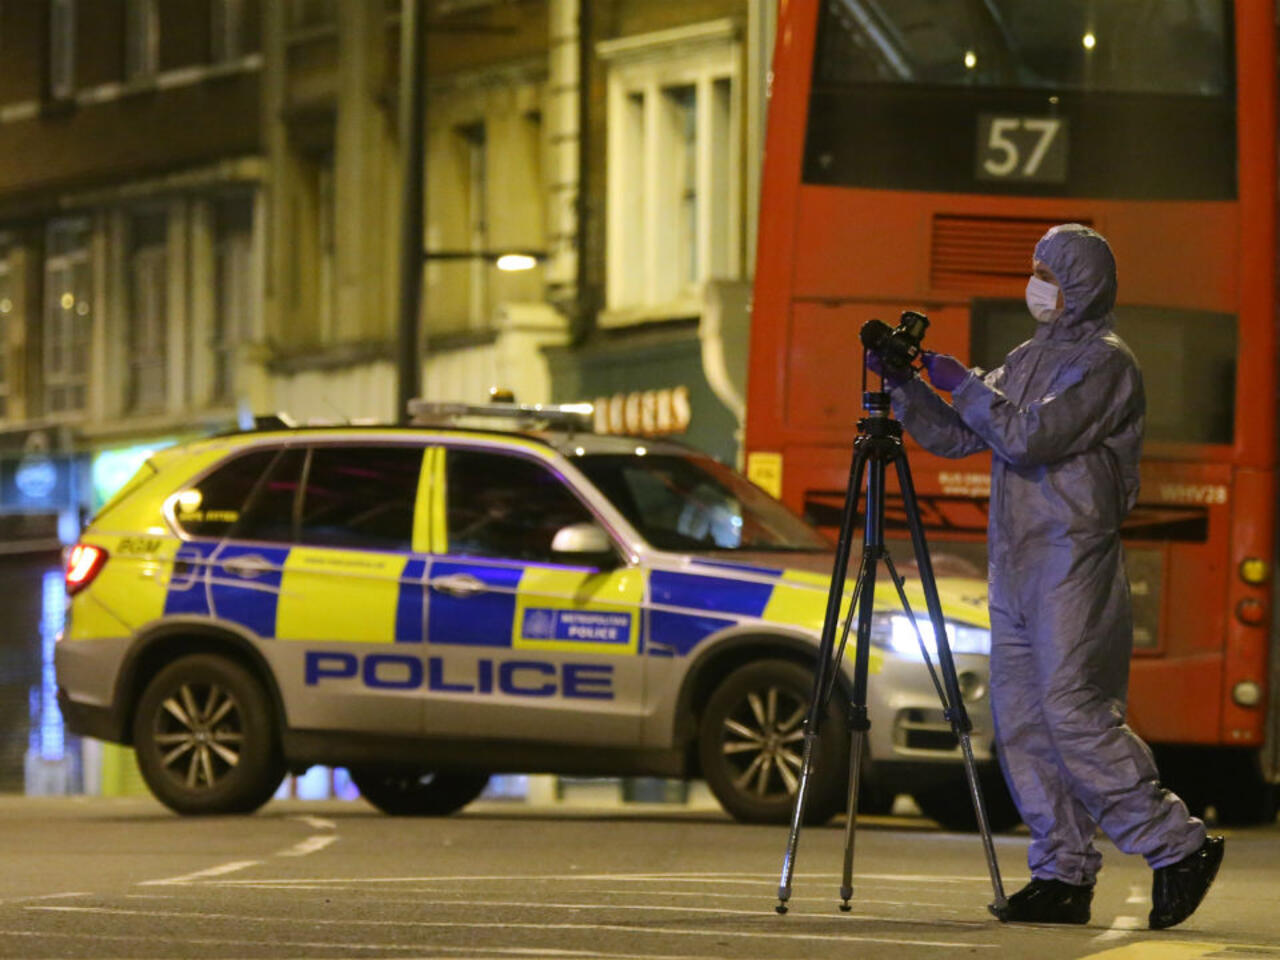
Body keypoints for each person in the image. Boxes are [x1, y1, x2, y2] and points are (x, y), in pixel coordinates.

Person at [869, 223, 1223, 929]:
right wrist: (906, 385)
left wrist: (963, 384)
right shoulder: (1027, 358)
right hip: (1017, 560)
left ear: (1081, 284)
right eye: (1035, 271)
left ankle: (1177, 845)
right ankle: (1062, 871)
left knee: (1073, 710)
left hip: (1072, 556)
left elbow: (1031, 436)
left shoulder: (1106, 365)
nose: (1036, 286)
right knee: (1023, 721)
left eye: (1048, 274)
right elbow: (961, 435)